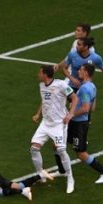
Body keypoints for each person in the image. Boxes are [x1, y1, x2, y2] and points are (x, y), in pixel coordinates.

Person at [31, 65, 77, 194]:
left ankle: (70, 178)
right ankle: (41, 174)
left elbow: (75, 98)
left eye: (40, 72)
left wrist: (70, 114)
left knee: (61, 150)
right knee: (34, 148)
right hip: (45, 123)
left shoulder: (61, 85)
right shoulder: (41, 85)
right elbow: (44, 100)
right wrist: (38, 114)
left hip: (58, 124)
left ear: (45, 74)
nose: (38, 74)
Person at [68, 64, 103, 184]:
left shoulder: (84, 89)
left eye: (81, 70)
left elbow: (85, 108)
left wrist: (71, 114)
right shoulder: (92, 87)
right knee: (57, 144)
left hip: (78, 124)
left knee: (81, 153)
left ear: (86, 73)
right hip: (77, 123)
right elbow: (92, 108)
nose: (78, 71)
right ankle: (62, 170)